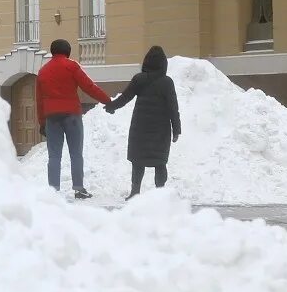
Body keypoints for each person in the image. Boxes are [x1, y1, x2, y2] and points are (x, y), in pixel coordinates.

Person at [36, 39, 112, 199]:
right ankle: (79, 189)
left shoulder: (43, 71)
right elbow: (88, 86)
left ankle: (53, 191)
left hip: (51, 117)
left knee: (54, 156)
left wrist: (42, 122)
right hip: (72, 115)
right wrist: (107, 100)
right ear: (68, 51)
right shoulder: (72, 67)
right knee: (76, 153)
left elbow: (39, 100)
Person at [105, 45, 182, 198]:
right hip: (161, 129)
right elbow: (173, 107)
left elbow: (125, 97)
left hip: (140, 127)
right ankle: (161, 193)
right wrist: (176, 129)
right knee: (160, 162)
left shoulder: (139, 79)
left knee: (138, 161)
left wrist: (112, 106)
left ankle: (135, 192)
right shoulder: (167, 82)